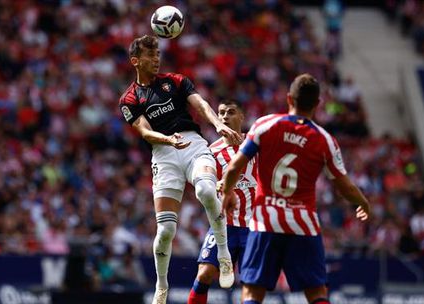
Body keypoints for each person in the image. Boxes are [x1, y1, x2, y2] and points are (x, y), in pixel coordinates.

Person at [220, 73, 371, 304]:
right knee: (317, 293)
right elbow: (345, 187)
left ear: (289, 99)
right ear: (318, 104)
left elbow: (233, 169)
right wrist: (363, 202)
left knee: (252, 293)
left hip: (265, 221)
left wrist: (228, 191)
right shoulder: (324, 140)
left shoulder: (264, 125)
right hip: (303, 224)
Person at [118, 35, 242, 304]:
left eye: (158, 54)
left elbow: (201, 105)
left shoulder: (175, 81)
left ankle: (224, 255)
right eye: (150, 56)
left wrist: (217, 125)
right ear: (135, 61)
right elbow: (143, 131)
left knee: (207, 190)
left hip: (194, 144)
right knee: (165, 232)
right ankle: (161, 286)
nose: (156, 59)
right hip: (164, 156)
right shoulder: (129, 98)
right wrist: (167, 140)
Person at [188, 99, 257, 303]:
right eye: (221, 113)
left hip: (252, 227)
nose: (225, 116)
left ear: (241, 116)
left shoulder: (255, 146)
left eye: (231, 112)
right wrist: (213, 184)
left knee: (250, 284)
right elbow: (202, 184)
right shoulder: (211, 152)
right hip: (223, 226)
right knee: (204, 274)